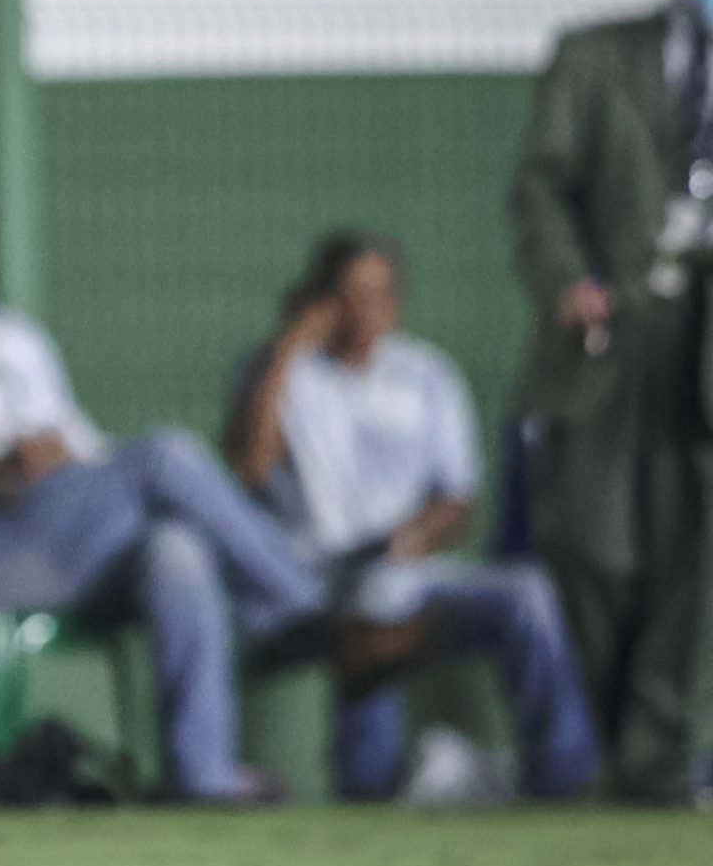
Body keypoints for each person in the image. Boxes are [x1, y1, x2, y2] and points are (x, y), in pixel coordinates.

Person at [0, 167, 331, 804]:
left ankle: (203, 775)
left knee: (175, 550)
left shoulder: (11, 337)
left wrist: (54, 454)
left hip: (64, 529)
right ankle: (308, 606)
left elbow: (90, 450)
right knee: (165, 457)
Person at [227, 231, 597, 798]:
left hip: (410, 571)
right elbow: (249, 469)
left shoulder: (428, 376)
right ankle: (369, 787)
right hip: (309, 579)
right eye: (348, 296)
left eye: (376, 295)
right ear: (320, 299)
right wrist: (291, 343)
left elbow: (459, 502)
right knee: (371, 601)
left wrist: (412, 537)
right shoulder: (277, 374)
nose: (363, 311)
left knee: (527, 591)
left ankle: (564, 780)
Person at [506, 0, 713, 805]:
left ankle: (656, 762)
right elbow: (540, 182)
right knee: (587, 540)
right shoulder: (594, 55)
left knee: (694, 553)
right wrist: (564, 280)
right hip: (609, 328)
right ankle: (601, 737)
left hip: (704, 346)